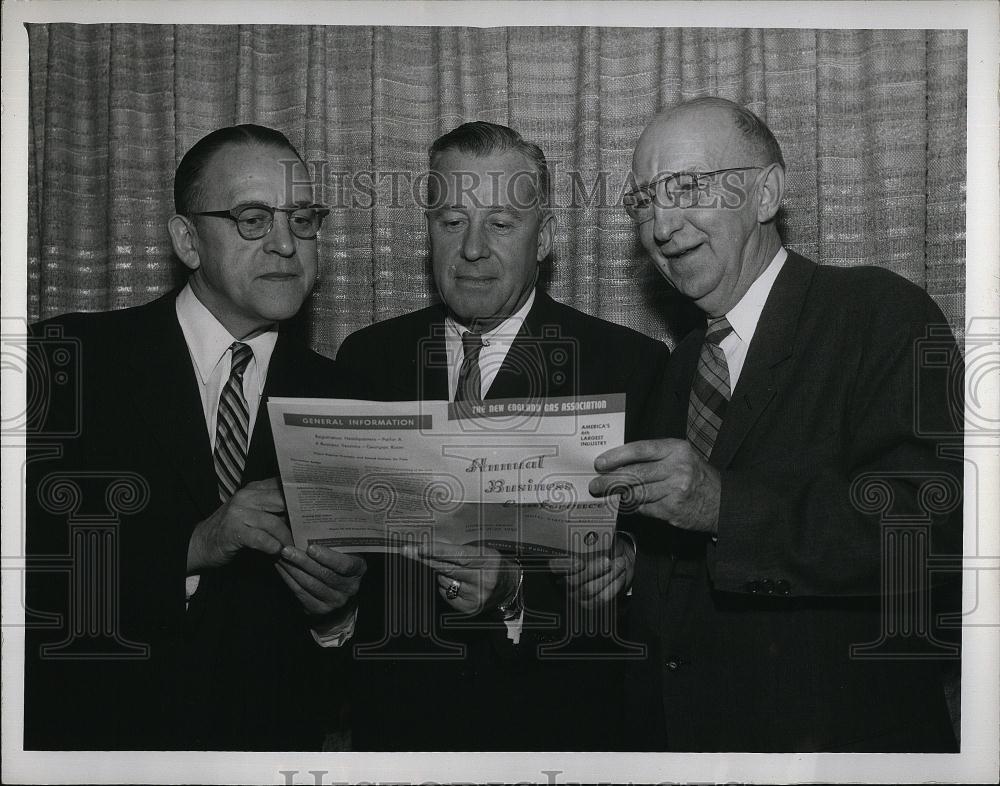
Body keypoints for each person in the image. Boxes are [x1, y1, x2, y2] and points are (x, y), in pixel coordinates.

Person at [588, 97, 963, 752]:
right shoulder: (681, 364)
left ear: (766, 193)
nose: (662, 225)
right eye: (644, 201)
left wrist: (723, 507)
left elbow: (934, 532)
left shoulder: (876, 313)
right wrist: (630, 565)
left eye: (688, 187)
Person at [24, 124, 366, 750]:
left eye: (302, 219)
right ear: (187, 240)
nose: (286, 244)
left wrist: (336, 615)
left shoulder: (344, 397)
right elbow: (27, 568)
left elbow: (359, 663)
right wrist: (193, 546)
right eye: (253, 219)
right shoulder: (67, 360)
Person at [335, 121, 670, 750]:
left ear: (545, 239)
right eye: (452, 221)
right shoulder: (365, 360)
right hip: (396, 730)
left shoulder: (626, 367)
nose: (472, 249)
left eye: (501, 224)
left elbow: (648, 575)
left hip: (553, 730)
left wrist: (528, 587)